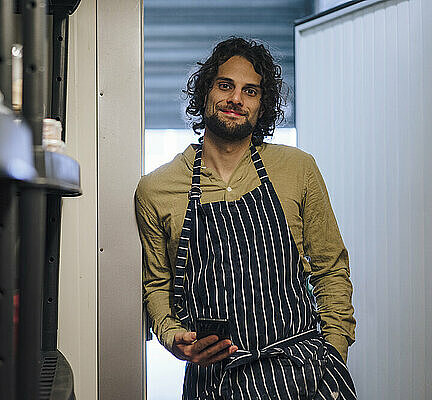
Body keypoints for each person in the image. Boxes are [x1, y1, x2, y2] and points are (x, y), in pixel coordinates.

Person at [135, 37, 356, 399]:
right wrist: (176, 340)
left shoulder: (297, 169)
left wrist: (333, 352)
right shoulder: (157, 189)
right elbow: (157, 285)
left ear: (261, 105)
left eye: (250, 91)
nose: (236, 99)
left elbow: (330, 269)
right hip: (214, 383)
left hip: (303, 375)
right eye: (226, 86)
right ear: (206, 92)